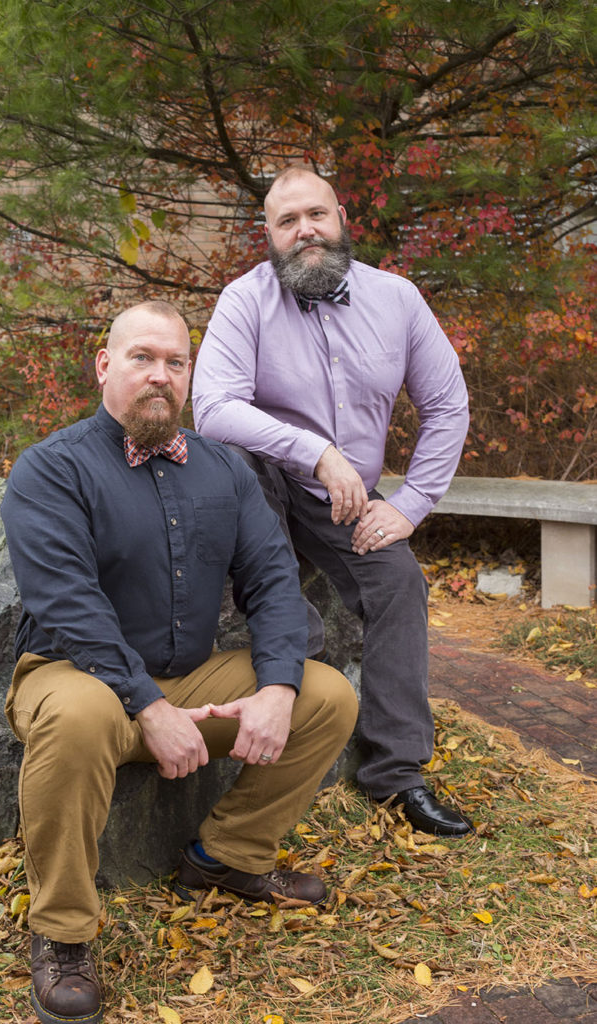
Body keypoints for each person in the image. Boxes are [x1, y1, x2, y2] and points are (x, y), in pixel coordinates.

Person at [0, 300, 358, 1024]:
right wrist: (150, 709)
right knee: (76, 715)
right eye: (141, 358)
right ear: (105, 366)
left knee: (326, 695)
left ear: (190, 374)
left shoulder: (225, 471)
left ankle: (226, 854)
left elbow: (271, 583)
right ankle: (61, 933)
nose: (159, 375)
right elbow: (70, 605)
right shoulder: (49, 470)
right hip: (75, 678)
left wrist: (278, 688)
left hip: (191, 679)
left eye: (175, 362)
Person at [192, 165, 474, 840]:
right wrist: (315, 451)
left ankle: (394, 772)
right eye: (287, 221)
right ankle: (289, 655)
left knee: (399, 583)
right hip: (261, 484)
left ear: (341, 217)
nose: (304, 231)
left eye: (315, 215)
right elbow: (212, 407)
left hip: (342, 499)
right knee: (234, 456)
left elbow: (445, 404)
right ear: (268, 233)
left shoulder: (397, 299)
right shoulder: (244, 300)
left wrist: (410, 504)